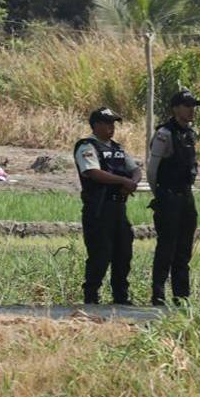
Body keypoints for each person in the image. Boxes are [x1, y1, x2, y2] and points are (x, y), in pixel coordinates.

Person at [74, 108, 142, 305]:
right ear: (96, 125)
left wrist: (132, 183)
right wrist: (123, 181)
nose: (112, 127)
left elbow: (135, 169)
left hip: (118, 207)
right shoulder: (87, 146)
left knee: (123, 252)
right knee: (100, 254)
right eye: (107, 123)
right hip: (99, 208)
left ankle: (121, 297)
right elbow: (93, 172)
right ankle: (91, 297)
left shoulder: (117, 148)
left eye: (113, 123)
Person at [146, 90, 200, 306]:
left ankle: (182, 297)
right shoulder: (165, 134)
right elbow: (152, 170)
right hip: (168, 196)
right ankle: (158, 295)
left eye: (193, 106)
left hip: (186, 196)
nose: (191, 110)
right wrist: (160, 195)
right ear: (176, 108)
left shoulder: (189, 134)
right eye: (187, 106)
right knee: (166, 248)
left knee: (184, 250)